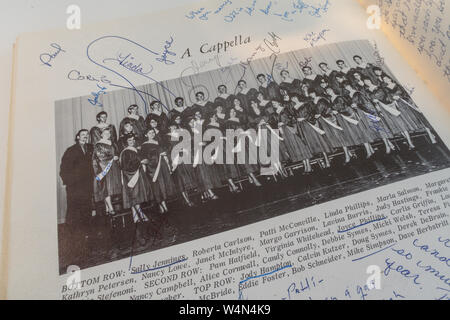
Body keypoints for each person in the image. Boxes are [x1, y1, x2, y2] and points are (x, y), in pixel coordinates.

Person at [59, 129, 94, 263]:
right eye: (83, 135)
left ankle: (85, 246)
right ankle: (72, 247)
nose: (85, 137)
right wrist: (70, 182)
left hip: (87, 188)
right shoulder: (71, 150)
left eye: (87, 135)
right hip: (75, 189)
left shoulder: (90, 149)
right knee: (74, 217)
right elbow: (64, 169)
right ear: (77, 137)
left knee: (86, 215)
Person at [364, 77, 416, 150]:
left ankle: (410, 142)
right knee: (395, 125)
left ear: (370, 80)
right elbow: (371, 100)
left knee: (400, 124)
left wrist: (378, 100)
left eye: (367, 80)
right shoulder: (368, 91)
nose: (367, 82)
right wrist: (375, 103)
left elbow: (386, 95)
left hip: (389, 105)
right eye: (365, 82)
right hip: (381, 108)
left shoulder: (379, 87)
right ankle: (408, 141)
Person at [119, 133, 151, 246]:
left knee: (136, 200)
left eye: (133, 139)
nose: (132, 141)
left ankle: (137, 219)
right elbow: (126, 166)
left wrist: (144, 161)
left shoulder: (135, 150)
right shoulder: (126, 152)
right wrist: (140, 162)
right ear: (125, 142)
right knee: (135, 198)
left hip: (138, 177)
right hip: (131, 178)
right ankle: (143, 219)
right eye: (129, 140)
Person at [140, 127, 176, 214]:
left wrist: (164, 153)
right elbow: (146, 157)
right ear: (146, 135)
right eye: (149, 133)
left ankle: (164, 204)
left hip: (162, 165)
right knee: (157, 186)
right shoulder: (144, 145)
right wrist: (158, 155)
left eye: (153, 132)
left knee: (164, 184)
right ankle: (161, 205)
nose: (152, 134)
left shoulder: (158, 142)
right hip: (154, 167)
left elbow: (167, 148)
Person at [92, 127, 122, 215]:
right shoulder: (99, 145)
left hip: (113, 168)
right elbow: (100, 157)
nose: (107, 135)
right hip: (104, 168)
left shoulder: (112, 144)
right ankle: (110, 207)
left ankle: (107, 208)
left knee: (111, 188)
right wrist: (112, 158)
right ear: (101, 134)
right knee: (106, 188)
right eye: (105, 133)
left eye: (109, 133)